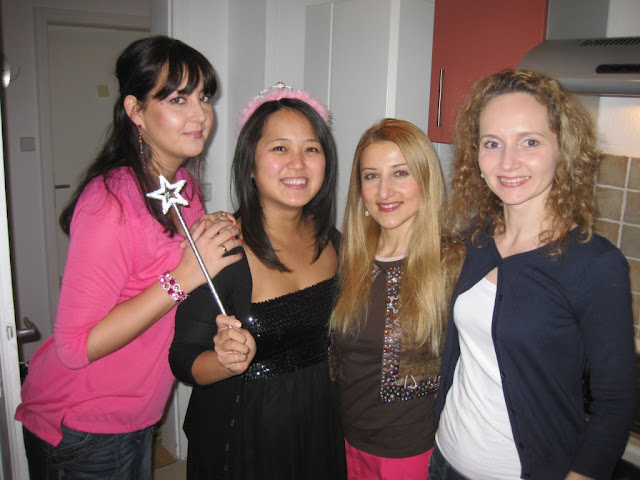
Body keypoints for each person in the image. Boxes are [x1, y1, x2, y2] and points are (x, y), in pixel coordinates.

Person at [15, 35, 242, 479]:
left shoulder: (183, 188)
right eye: (178, 99)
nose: (200, 114)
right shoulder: (110, 202)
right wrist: (184, 275)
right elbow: (75, 347)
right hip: (83, 424)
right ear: (136, 111)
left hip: (137, 414)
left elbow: (179, 284)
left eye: (204, 97)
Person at [429, 70, 636, 480]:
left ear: (563, 150)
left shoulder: (594, 264)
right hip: (444, 463)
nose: (508, 163)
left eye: (530, 142)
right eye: (492, 143)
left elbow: (616, 402)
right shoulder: (475, 241)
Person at [169, 82, 347, 479]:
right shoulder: (223, 249)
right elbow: (183, 357)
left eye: (311, 149)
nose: (298, 163)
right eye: (280, 148)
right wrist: (224, 361)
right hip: (248, 435)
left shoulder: (334, 242)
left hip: (321, 421)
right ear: (250, 164)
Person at [330, 118, 449, 479]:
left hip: (409, 451)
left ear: (425, 178)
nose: (384, 192)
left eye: (400, 173)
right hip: (345, 438)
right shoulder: (347, 256)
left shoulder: (454, 263)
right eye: (371, 176)